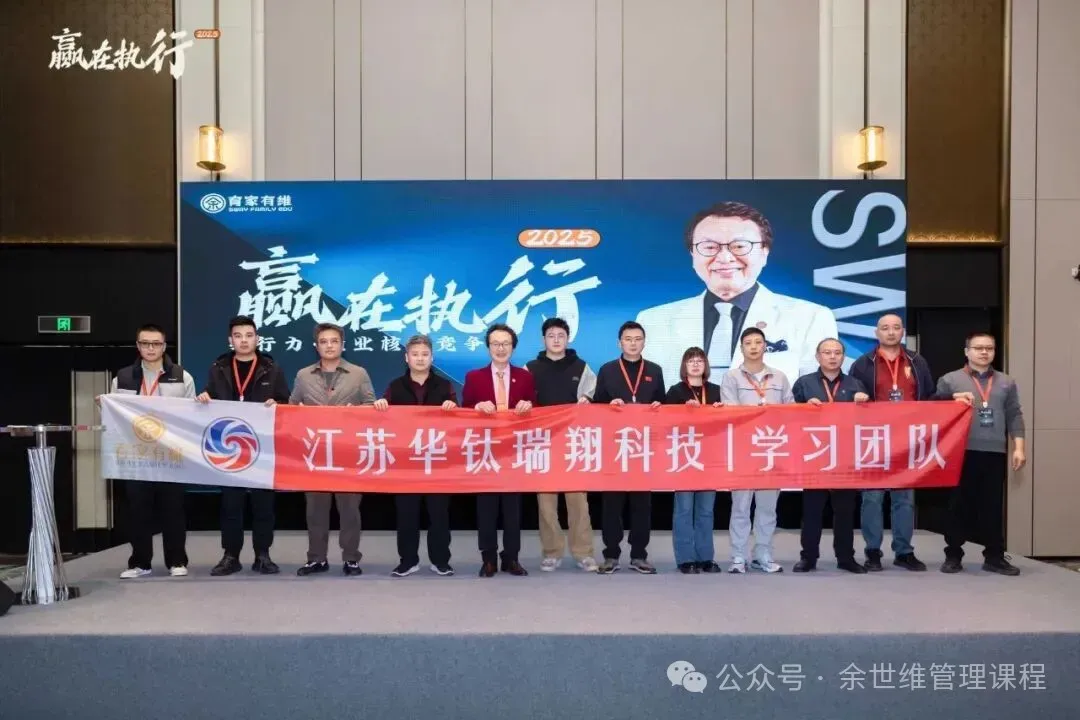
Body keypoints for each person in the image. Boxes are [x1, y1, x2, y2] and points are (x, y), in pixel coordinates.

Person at [636, 201, 838, 389]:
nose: (724, 258)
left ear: (764, 251)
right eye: (709, 247)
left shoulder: (811, 318)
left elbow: (817, 395)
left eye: (740, 246)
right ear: (693, 254)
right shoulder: (653, 321)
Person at [196, 315, 291, 576]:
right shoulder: (219, 368)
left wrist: (278, 404)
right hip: (229, 448)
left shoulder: (271, 368)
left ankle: (263, 555)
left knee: (263, 506)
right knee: (231, 505)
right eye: (238, 336)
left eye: (249, 335)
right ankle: (231, 556)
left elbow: (285, 401)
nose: (244, 340)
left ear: (257, 338)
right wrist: (204, 398)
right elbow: (210, 397)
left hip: (263, 448)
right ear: (231, 340)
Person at [107, 324, 197, 579]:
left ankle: (176, 561)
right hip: (136, 454)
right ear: (138, 346)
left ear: (164, 346)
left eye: (155, 343)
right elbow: (115, 415)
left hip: (170, 453)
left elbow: (193, 415)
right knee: (138, 512)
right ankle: (140, 563)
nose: (150, 348)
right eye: (145, 343)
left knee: (173, 510)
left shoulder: (181, 376)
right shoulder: (123, 377)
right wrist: (104, 405)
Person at [934, 332, 1025, 576]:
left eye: (989, 348)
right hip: (959, 452)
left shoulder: (1006, 381)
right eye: (978, 348)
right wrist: (951, 398)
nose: (984, 352)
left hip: (995, 452)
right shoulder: (950, 379)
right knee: (958, 505)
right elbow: (933, 407)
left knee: (992, 506)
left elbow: (1015, 415)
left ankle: (994, 556)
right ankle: (953, 555)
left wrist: (1019, 447)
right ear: (967, 351)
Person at [848, 313, 935, 572]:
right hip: (874, 439)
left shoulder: (917, 362)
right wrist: (856, 397)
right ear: (877, 333)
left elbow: (929, 397)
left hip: (907, 439)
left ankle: (904, 551)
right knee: (872, 498)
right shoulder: (863, 363)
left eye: (896, 327)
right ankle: (872, 551)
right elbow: (851, 397)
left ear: (902, 331)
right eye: (885, 328)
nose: (891, 332)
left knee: (904, 499)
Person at [290, 323, 375, 577]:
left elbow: (372, 407)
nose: (329, 346)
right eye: (324, 341)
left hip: (348, 452)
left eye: (334, 341)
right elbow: (291, 408)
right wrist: (297, 412)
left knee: (350, 510)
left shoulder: (358, 373)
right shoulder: (303, 375)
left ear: (342, 345)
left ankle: (351, 558)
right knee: (315, 510)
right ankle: (316, 558)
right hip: (315, 453)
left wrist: (355, 412)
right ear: (316, 346)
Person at [374, 334, 458, 577]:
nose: (420, 359)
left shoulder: (445, 386)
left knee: (439, 514)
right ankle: (408, 560)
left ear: (432, 357)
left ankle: (440, 560)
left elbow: (459, 420)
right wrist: (381, 406)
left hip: (437, 461)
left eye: (425, 354)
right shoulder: (395, 386)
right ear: (406, 358)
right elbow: (383, 417)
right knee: (406, 514)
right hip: (406, 463)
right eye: (415, 354)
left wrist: (453, 408)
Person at [461, 323, 537, 578]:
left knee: (513, 509)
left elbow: (537, 411)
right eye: (495, 344)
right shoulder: (474, 377)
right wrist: (476, 407)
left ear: (513, 347)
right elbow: (463, 411)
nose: (501, 348)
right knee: (487, 508)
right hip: (486, 450)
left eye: (505, 344)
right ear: (488, 347)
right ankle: (488, 558)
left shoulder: (525, 377)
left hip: (514, 451)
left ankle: (511, 557)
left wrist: (529, 406)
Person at [525, 318, 600, 573]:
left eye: (561, 335)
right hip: (542, 443)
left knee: (578, 502)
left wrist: (587, 400)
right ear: (543, 339)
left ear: (568, 339)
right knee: (546, 503)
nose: (556, 340)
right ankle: (551, 552)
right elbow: (523, 400)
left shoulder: (581, 366)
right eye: (551, 335)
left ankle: (583, 553)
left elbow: (592, 394)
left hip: (572, 442)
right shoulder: (530, 369)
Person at [592, 321, 666, 574]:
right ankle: (611, 555)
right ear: (619, 343)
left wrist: (658, 407)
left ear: (644, 342)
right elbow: (596, 406)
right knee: (611, 504)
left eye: (637, 339)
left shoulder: (654, 370)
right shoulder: (608, 369)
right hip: (615, 446)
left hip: (644, 448)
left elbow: (664, 405)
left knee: (641, 505)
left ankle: (639, 555)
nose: (633, 343)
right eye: (628, 339)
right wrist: (608, 405)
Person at [791, 338, 870, 574]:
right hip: (814, 455)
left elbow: (868, 422)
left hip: (845, 457)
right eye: (827, 352)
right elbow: (789, 416)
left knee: (845, 511)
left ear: (843, 357)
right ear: (818, 356)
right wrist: (804, 406)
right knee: (812, 511)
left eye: (837, 352)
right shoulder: (804, 383)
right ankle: (808, 558)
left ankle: (846, 558)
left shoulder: (856, 384)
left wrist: (865, 404)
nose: (832, 357)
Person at [719, 327, 794, 574]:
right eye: (748, 343)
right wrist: (762, 413)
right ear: (741, 348)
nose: (753, 347)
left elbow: (791, 410)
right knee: (740, 507)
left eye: (758, 342)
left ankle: (763, 554)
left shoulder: (780, 377)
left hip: (771, 450)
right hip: (743, 451)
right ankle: (738, 556)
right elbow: (731, 411)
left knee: (767, 508)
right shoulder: (731, 377)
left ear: (765, 346)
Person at [664, 346, 723, 574]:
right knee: (684, 509)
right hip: (685, 457)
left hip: (710, 457)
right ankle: (685, 558)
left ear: (705, 365)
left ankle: (705, 557)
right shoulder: (676, 391)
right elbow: (666, 423)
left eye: (700, 360)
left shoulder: (716, 391)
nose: (696, 364)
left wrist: (720, 411)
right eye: (691, 361)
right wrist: (683, 410)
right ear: (684, 366)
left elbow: (727, 423)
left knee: (706, 510)